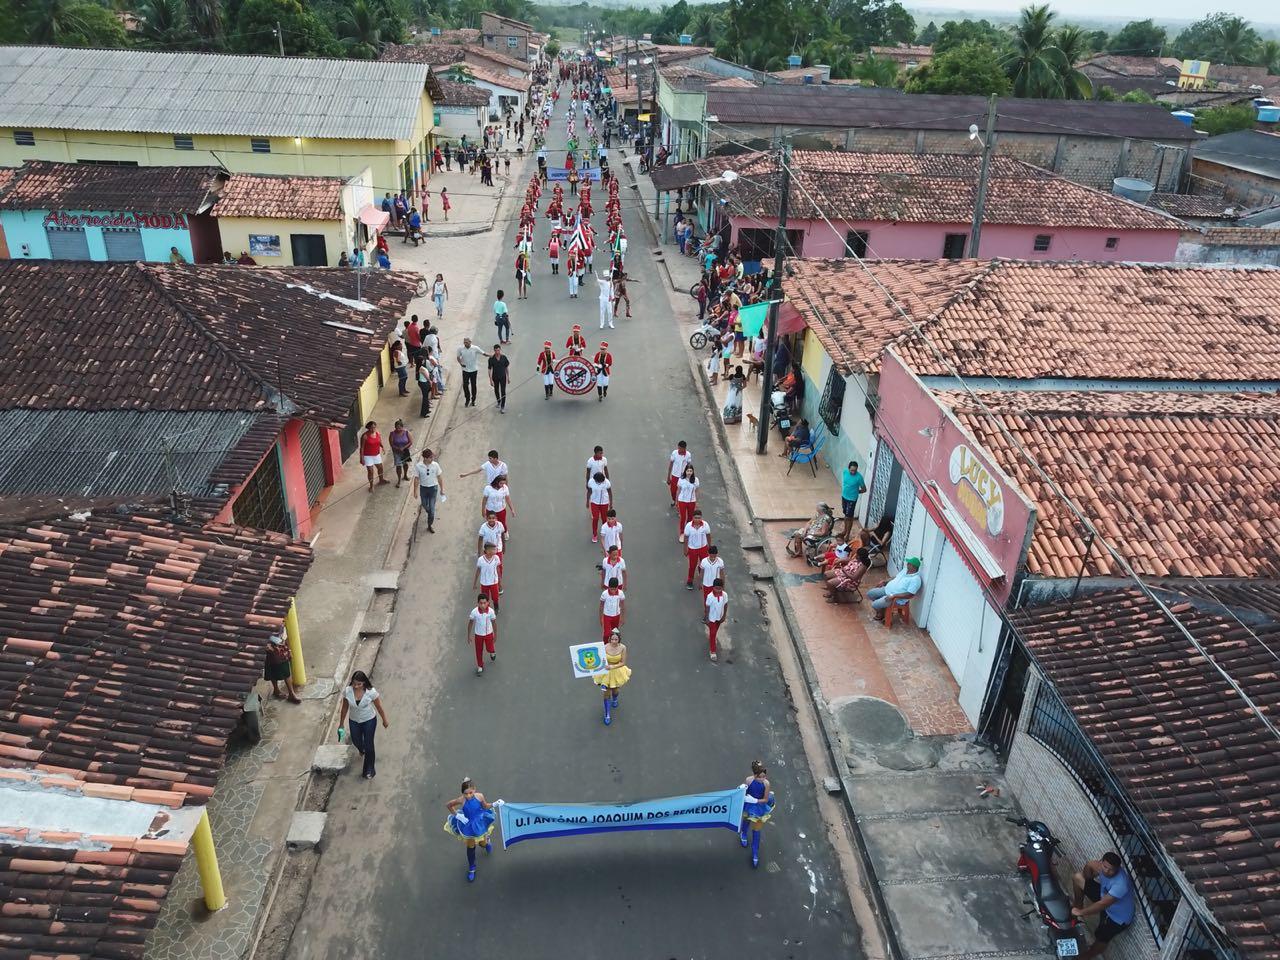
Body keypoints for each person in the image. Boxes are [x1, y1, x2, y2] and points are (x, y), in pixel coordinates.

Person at [1072, 853, 1135, 960]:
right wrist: (1089, 876)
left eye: (1111, 870)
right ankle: (1078, 905)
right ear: (1101, 862)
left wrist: (1081, 912)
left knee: (1101, 938)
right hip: (1104, 896)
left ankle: (1085, 957)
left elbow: (1102, 905)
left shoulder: (1121, 885)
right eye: (1105, 867)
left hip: (1117, 918)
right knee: (1077, 877)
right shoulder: (1098, 866)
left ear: (1117, 869)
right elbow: (1089, 865)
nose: (1106, 871)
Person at [338, 670, 388, 780]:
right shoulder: (348, 691)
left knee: (369, 744)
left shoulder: (371, 692)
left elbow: (379, 707)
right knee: (356, 741)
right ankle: (362, 750)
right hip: (354, 720)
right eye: (354, 683)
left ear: (364, 683)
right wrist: (341, 724)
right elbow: (344, 708)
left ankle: (369, 769)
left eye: (359, 684)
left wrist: (384, 719)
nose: (356, 686)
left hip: (369, 720)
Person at [444, 777, 496, 881]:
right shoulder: (461, 800)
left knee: (482, 844)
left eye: (470, 793)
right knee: (470, 848)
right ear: (462, 793)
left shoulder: (480, 796)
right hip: (468, 826)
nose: (468, 795)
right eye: (465, 793)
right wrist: (458, 816)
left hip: (480, 823)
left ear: (474, 789)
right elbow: (449, 805)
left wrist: (495, 804)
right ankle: (472, 868)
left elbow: (485, 806)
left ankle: (487, 842)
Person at [740, 760, 776, 869]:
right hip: (748, 805)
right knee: (746, 820)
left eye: (764, 776)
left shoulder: (766, 784)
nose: (762, 779)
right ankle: (743, 834)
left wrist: (755, 800)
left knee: (757, 830)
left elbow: (765, 799)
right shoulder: (748, 780)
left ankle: (755, 852)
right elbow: (744, 793)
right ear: (754, 775)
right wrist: (741, 790)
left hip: (760, 808)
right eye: (760, 777)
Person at [867, 557, 923, 621]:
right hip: (887, 589)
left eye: (909, 564)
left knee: (874, 605)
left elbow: (910, 594)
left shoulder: (916, 579)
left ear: (913, 567)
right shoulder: (905, 570)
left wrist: (894, 596)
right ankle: (883, 609)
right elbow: (895, 577)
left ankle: (881, 613)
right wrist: (885, 581)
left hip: (895, 598)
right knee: (870, 594)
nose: (907, 564)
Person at [594, 627, 631, 726]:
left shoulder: (623, 647)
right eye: (612, 639)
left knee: (616, 691)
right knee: (606, 694)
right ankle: (607, 714)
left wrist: (613, 666)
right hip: (606, 673)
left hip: (617, 671)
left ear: (619, 639)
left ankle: (615, 699)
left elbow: (623, 662)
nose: (614, 641)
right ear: (609, 639)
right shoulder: (605, 647)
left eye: (616, 639)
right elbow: (598, 659)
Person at [411, 448, 444, 533]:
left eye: (432, 457)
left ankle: (430, 524)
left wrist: (442, 489)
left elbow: (439, 477)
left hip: (433, 489)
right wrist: (415, 491)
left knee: (432, 510)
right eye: (430, 457)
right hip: (424, 489)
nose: (432, 459)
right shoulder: (419, 466)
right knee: (425, 505)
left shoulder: (435, 465)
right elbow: (416, 479)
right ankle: (429, 512)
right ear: (425, 458)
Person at [263, 632, 300, 704]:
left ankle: (291, 693)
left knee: (285, 669)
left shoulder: (281, 624)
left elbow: (285, 635)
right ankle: (276, 690)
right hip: (269, 644)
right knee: (271, 667)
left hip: (280, 645)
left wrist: (288, 648)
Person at [683, 509, 711, 590]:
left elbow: (708, 535)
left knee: (704, 564)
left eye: (699, 518)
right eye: (696, 518)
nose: (697, 520)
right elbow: (686, 537)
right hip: (692, 549)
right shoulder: (688, 526)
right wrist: (685, 549)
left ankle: (702, 579)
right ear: (692, 518)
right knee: (692, 566)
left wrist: (709, 546)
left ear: (701, 518)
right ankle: (690, 580)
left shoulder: (705, 525)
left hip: (703, 548)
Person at [456, 337, 486, 407]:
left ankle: (473, 400)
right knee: (465, 385)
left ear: (470, 342)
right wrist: (461, 363)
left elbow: (483, 353)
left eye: (467, 342)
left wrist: (491, 355)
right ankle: (467, 399)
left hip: (473, 370)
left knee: (473, 385)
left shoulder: (475, 348)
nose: (465, 344)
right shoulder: (460, 349)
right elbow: (458, 357)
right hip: (465, 370)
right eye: (464, 342)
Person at [840, 461, 868, 540]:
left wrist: (856, 492)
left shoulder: (859, 477)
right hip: (844, 497)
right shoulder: (845, 472)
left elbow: (864, 489)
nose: (853, 472)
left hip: (852, 499)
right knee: (846, 515)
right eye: (851, 470)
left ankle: (848, 534)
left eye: (855, 470)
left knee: (849, 517)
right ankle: (845, 530)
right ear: (848, 468)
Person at [473, 542, 503, 612]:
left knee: (495, 597)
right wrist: (474, 583)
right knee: (485, 598)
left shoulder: (496, 558)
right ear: (487, 550)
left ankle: (496, 607)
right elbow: (478, 571)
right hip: (484, 583)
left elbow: (498, 569)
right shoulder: (481, 560)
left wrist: (499, 581)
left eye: (495, 549)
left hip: (494, 582)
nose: (495, 551)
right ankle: (487, 610)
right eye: (493, 549)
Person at [360, 421, 387, 491]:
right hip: (368, 456)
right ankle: (371, 486)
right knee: (370, 471)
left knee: (380, 468)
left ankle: (381, 480)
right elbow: (362, 448)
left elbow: (379, 441)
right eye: (371, 428)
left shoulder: (377, 433)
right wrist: (362, 458)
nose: (373, 429)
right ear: (368, 428)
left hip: (376, 454)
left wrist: (382, 446)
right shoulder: (365, 436)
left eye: (374, 427)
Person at [704, 578, 727, 663]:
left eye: (719, 588)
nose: (718, 590)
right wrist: (706, 618)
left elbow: (725, 605)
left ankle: (711, 639)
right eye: (716, 588)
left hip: (719, 617)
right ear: (713, 587)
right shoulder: (710, 596)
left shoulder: (724, 595)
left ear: (722, 588)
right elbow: (707, 607)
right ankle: (713, 651)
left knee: (715, 631)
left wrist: (724, 615)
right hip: (712, 618)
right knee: (713, 633)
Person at [586, 469, 613, 542]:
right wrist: (587, 501)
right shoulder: (591, 482)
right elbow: (589, 492)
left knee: (604, 518)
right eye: (599, 481)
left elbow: (610, 492)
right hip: (594, 502)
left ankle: (605, 533)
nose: (600, 482)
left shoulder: (606, 482)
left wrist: (611, 503)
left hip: (604, 502)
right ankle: (594, 534)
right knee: (595, 518)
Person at [675, 464, 699, 542]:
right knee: (683, 517)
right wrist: (676, 501)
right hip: (682, 501)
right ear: (685, 471)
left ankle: (688, 532)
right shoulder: (681, 480)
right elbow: (678, 490)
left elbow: (697, 491)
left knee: (690, 517)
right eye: (688, 471)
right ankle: (682, 533)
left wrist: (697, 501)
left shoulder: (696, 480)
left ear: (693, 472)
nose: (689, 472)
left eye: (690, 471)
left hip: (692, 501)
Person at [666, 441, 692, 508]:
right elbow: (671, 464)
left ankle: (679, 506)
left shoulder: (688, 455)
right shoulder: (674, 453)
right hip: (675, 476)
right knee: (673, 491)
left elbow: (689, 466)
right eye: (678, 448)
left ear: (684, 448)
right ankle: (675, 500)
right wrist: (668, 477)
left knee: (682, 492)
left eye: (680, 448)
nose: (679, 450)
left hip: (683, 477)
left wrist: (689, 477)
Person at [599, 577, 625, 641]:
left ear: (617, 587)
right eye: (611, 589)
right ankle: (605, 646)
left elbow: (623, 606)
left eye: (614, 589)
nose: (613, 591)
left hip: (616, 616)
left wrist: (622, 618)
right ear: (608, 587)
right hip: (607, 616)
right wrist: (601, 618)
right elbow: (601, 606)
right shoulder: (604, 594)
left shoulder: (620, 593)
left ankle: (614, 646)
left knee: (615, 633)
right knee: (606, 634)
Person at [389, 419, 413, 486]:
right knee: (398, 466)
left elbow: (410, 442)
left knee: (405, 464)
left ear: (402, 427)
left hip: (405, 451)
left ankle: (405, 475)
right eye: (396, 428)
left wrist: (403, 448)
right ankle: (399, 479)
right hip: (397, 452)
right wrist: (398, 448)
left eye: (399, 428)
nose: (398, 429)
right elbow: (391, 444)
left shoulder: (407, 432)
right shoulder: (392, 434)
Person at [488, 343, 510, 414]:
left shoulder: (504, 357)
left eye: (498, 350)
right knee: (496, 390)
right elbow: (489, 369)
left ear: (500, 350)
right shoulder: (491, 359)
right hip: (495, 377)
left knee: (503, 391)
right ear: (494, 351)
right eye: (496, 350)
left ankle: (502, 407)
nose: (497, 352)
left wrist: (508, 377)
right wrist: (490, 380)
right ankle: (499, 402)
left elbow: (506, 368)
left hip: (503, 377)